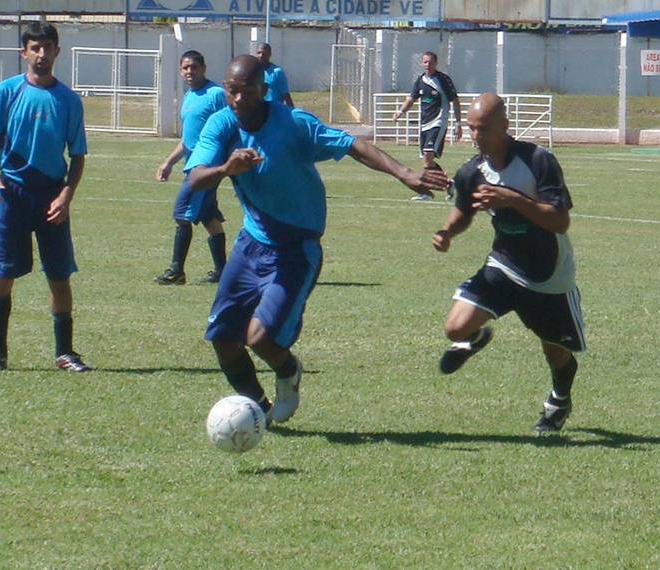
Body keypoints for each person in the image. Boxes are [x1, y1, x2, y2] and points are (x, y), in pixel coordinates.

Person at [185, 55, 449, 424]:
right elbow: (195, 178)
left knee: (260, 337)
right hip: (250, 245)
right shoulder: (222, 124)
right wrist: (225, 168)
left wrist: (404, 172)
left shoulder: (293, 124)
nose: (239, 99)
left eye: (248, 91)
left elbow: (352, 145)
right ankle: (257, 413)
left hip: (296, 249)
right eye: (232, 91)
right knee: (223, 339)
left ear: (264, 89)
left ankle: (288, 371)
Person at [431, 93, 585, 433]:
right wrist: (446, 231)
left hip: (548, 275)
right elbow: (463, 211)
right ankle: (474, 337)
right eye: (471, 129)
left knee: (556, 353)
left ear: (505, 125)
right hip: (503, 266)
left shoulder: (537, 160)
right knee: (454, 327)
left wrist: (512, 200)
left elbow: (559, 221)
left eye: (483, 129)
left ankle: (559, 401)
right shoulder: (472, 171)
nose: (476, 136)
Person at [0, 22, 91, 373]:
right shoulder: (7, 92)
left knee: (59, 275)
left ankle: (65, 352)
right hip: (13, 194)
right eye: (34, 48)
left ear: (57, 51)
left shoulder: (68, 100)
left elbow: (78, 154)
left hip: (52, 195)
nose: (41, 54)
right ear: (24, 52)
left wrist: (67, 194)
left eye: (47, 47)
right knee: (3, 273)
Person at [154, 50, 228, 285]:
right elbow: (188, 140)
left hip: (205, 169)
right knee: (209, 218)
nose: (189, 72)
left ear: (204, 68)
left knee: (181, 214)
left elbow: (230, 124)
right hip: (192, 164)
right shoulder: (188, 97)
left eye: (193, 67)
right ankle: (223, 271)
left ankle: (177, 271)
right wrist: (169, 162)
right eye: (185, 68)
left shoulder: (216, 94)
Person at [392, 51, 461, 202]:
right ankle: (448, 183)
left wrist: (458, 123)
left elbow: (455, 101)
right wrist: (400, 112)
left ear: (435, 63)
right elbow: (411, 99)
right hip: (424, 124)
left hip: (438, 121)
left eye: (430, 62)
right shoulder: (420, 81)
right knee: (426, 162)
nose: (427, 65)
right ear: (421, 64)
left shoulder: (443, 80)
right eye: (425, 62)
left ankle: (426, 192)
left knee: (428, 156)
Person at [255, 43, 294, 107]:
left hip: (274, 110)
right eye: (259, 53)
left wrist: (291, 114)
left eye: (264, 53)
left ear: (269, 54)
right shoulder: (255, 71)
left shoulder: (277, 72)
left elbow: (286, 96)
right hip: (259, 110)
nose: (261, 55)